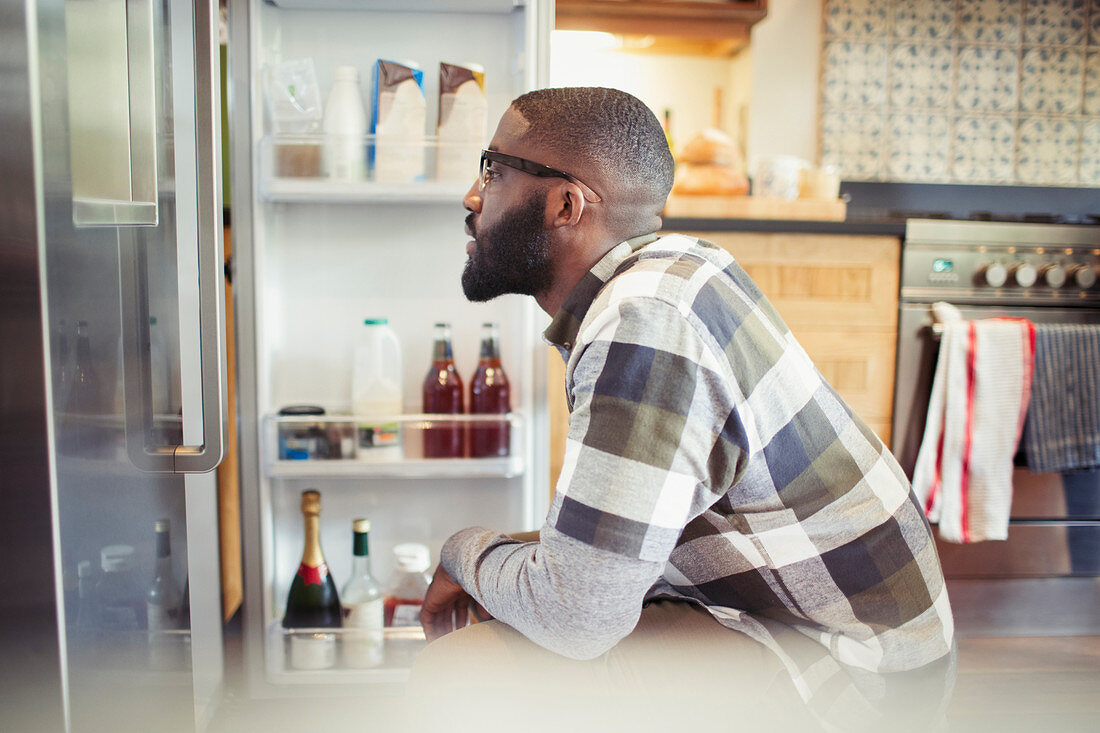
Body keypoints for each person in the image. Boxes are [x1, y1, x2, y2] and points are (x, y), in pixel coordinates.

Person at [416, 87, 955, 729]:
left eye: (494, 171)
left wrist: (463, 552)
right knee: (511, 609)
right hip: (807, 622)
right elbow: (603, 551)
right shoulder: (673, 271)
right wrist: (499, 564)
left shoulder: (642, 323)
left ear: (566, 204)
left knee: (463, 672)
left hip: (859, 677)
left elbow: (579, 617)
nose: (474, 198)